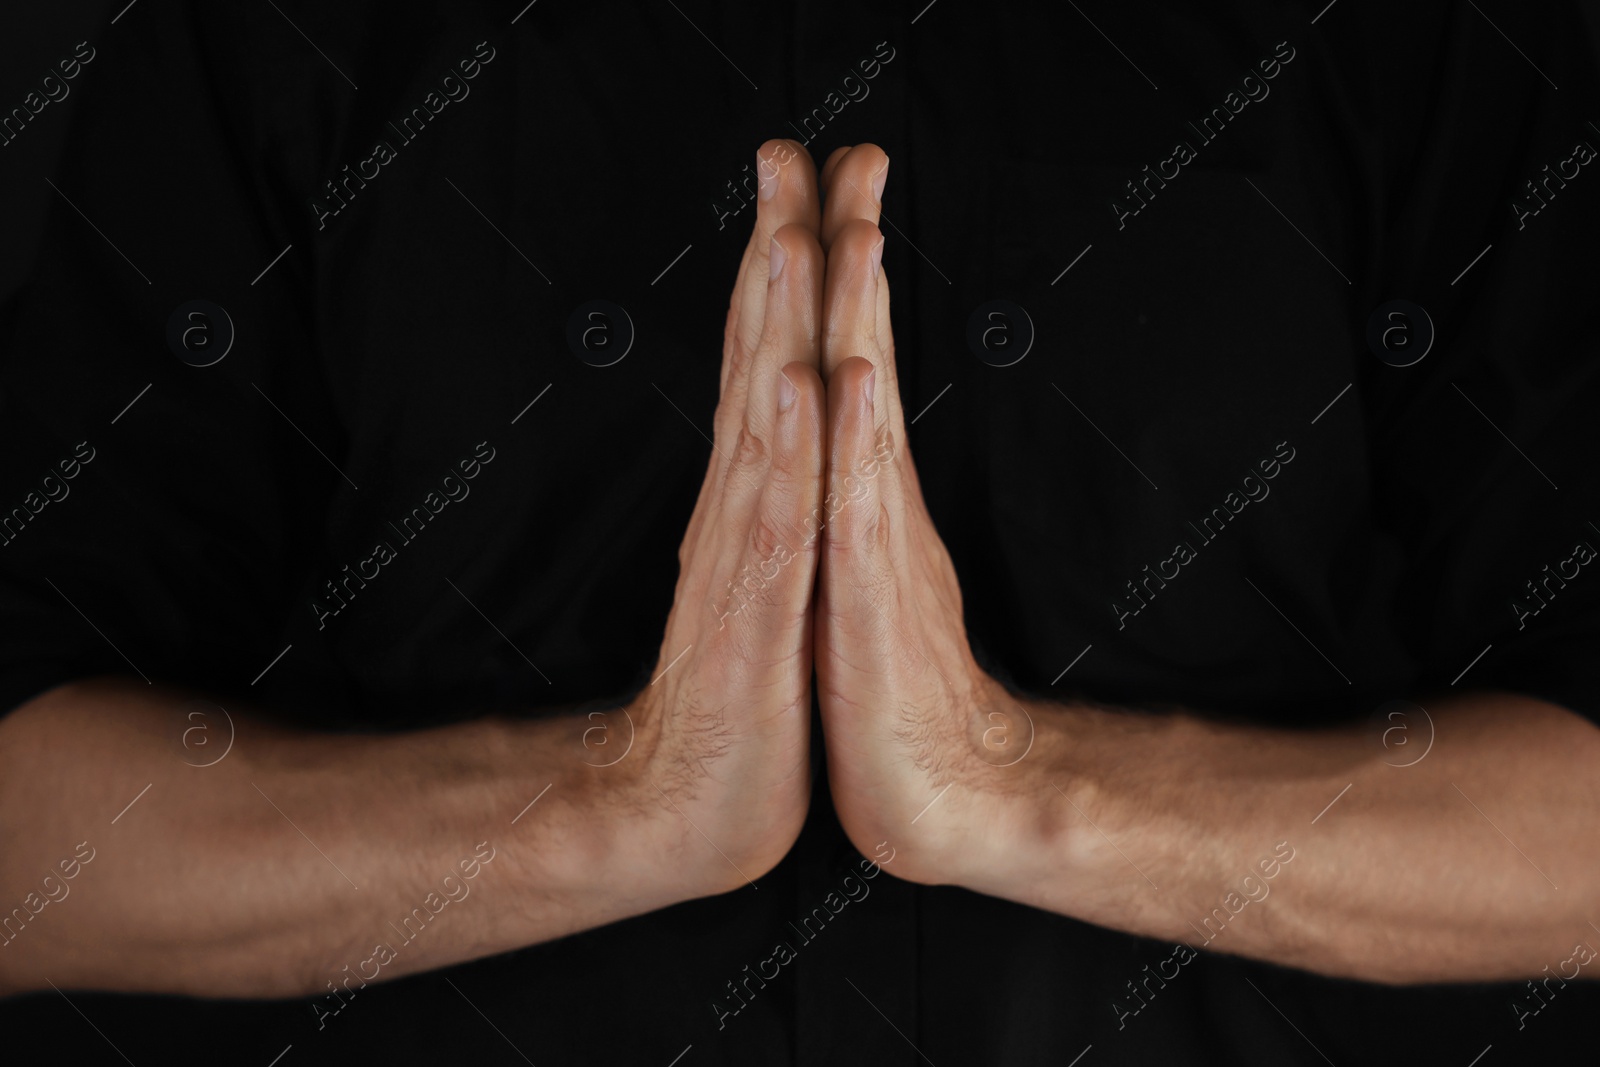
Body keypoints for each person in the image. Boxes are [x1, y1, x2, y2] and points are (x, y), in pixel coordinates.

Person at [1, 1, 1597, 1063]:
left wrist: (1014, 789)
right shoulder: (284, 34)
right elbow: (34, 853)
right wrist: (622, 806)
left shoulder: (1410, 36)